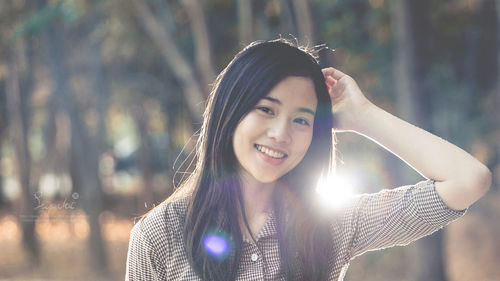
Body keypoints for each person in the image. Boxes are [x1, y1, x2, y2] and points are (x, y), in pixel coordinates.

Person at [125, 38, 491, 281]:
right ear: (230, 112)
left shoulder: (332, 224)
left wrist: (363, 117)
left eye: (302, 119)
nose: (281, 133)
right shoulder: (159, 236)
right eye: (266, 110)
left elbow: (469, 179)